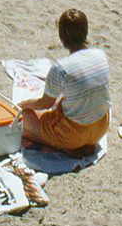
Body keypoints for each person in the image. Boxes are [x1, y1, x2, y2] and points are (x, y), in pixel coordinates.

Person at [18, 10, 110, 157]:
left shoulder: (61, 68)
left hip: (72, 135)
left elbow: (44, 103)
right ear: (85, 31)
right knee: (64, 97)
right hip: (100, 127)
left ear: (62, 36)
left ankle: (63, 147)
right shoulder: (101, 55)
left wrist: (25, 104)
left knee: (23, 119)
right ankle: (80, 143)